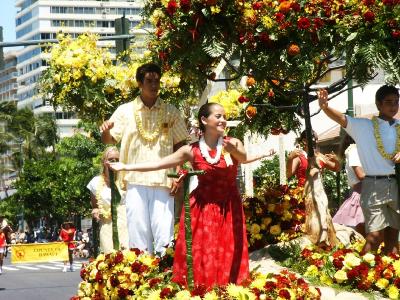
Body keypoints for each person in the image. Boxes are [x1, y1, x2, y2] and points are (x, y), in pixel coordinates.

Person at [108, 102, 250, 288]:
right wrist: (126, 166)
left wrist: (234, 151)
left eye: (224, 116)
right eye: (218, 116)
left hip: (229, 208)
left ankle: (229, 291)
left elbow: (245, 158)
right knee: (204, 253)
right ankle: (202, 292)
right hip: (202, 209)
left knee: (228, 251)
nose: (223, 120)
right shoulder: (191, 150)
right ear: (204, 120)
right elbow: (159, 164)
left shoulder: (233, 143)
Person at [100, 63, 189, 255]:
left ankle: (164, 274)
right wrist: (105, 131)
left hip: (164, 179)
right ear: (139, 83)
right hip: (134, 179)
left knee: (164, 232)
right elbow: (109, 140)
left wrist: (176, 174)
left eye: (157, 80)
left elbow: (180, 146)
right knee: (138, 232)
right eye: (149, 81)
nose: (154, 85)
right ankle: (143, 274)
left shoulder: (171, 111)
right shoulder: (125, 110)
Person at [318, 85, 400, 255]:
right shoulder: (364, 126)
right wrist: (325, 107)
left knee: (393, 238)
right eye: (388, 102)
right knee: (375, 237)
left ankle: (385, 276)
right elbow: (342, 118)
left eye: (396, 102)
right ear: (378, 104)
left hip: (396, 185)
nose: (393, 106)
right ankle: (358, 273)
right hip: (373, 184)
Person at [86, 147, 129, 253]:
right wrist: (95, 211)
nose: (114, 162)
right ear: (104, 162)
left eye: (117, 160)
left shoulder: (126, 180)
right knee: (109, 258)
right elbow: (95, 206)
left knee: (127, 257)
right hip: (107, 226)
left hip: (126, 226)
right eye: (111, 159)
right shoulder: (95, 183)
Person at [332, 134, 365, 236]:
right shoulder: (354, 151)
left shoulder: (356, 151)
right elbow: (360, 175)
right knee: (364, 235)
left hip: (364, 193)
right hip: (362, 194)